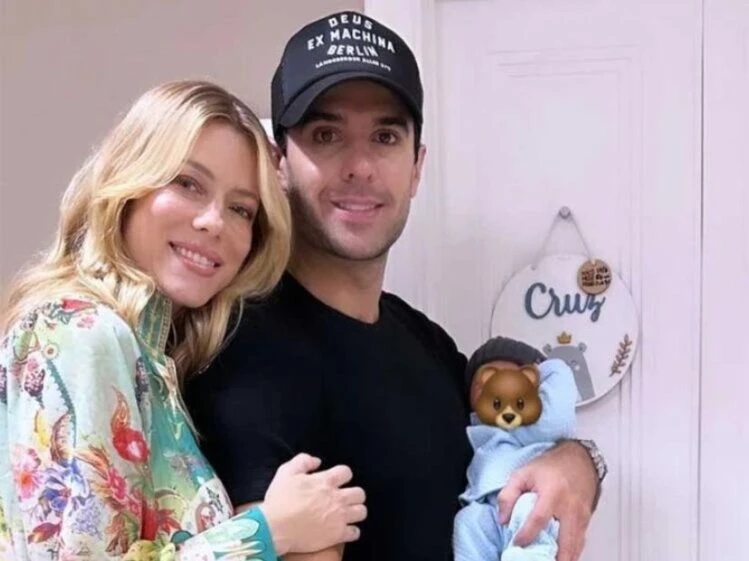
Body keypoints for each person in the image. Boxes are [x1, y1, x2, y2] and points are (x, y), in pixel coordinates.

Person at [184, 11, 607, 561]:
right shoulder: (239, 347)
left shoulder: (426, 342)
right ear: (278, 161)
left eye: (385, 136)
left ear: (416, 167)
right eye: (326, 135)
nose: (360, 166)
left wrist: (576, 462)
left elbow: (517, 438)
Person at [0, 80, 366, 560]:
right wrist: (265, 533)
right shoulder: (81, 332)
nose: (214, 222)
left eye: (240, 209)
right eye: (188, 184)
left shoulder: (155, 359)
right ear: (129, 184)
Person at [454, 337, 578, 561]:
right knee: (467, 522)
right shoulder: (474, 427)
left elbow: (558, 423)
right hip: (487, 509)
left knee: (529, 514)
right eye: (482, 382)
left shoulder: (535, 425)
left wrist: (551, 367)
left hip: (527, 497)